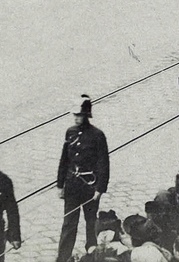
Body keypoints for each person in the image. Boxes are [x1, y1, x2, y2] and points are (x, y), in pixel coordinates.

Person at [56, 95, 109, 262]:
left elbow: (103, 164)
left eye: (79, 115)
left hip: (89, 187)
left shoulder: (97, 135)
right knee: (68, 224)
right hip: (72, 186)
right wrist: (60, 184)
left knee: (91, 223)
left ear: (86, 115)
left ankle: (92, 255)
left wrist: (100, 189)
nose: (76, 118)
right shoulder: (70, 132)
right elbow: (64, 159)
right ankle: (63, 257)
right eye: (75, 115)